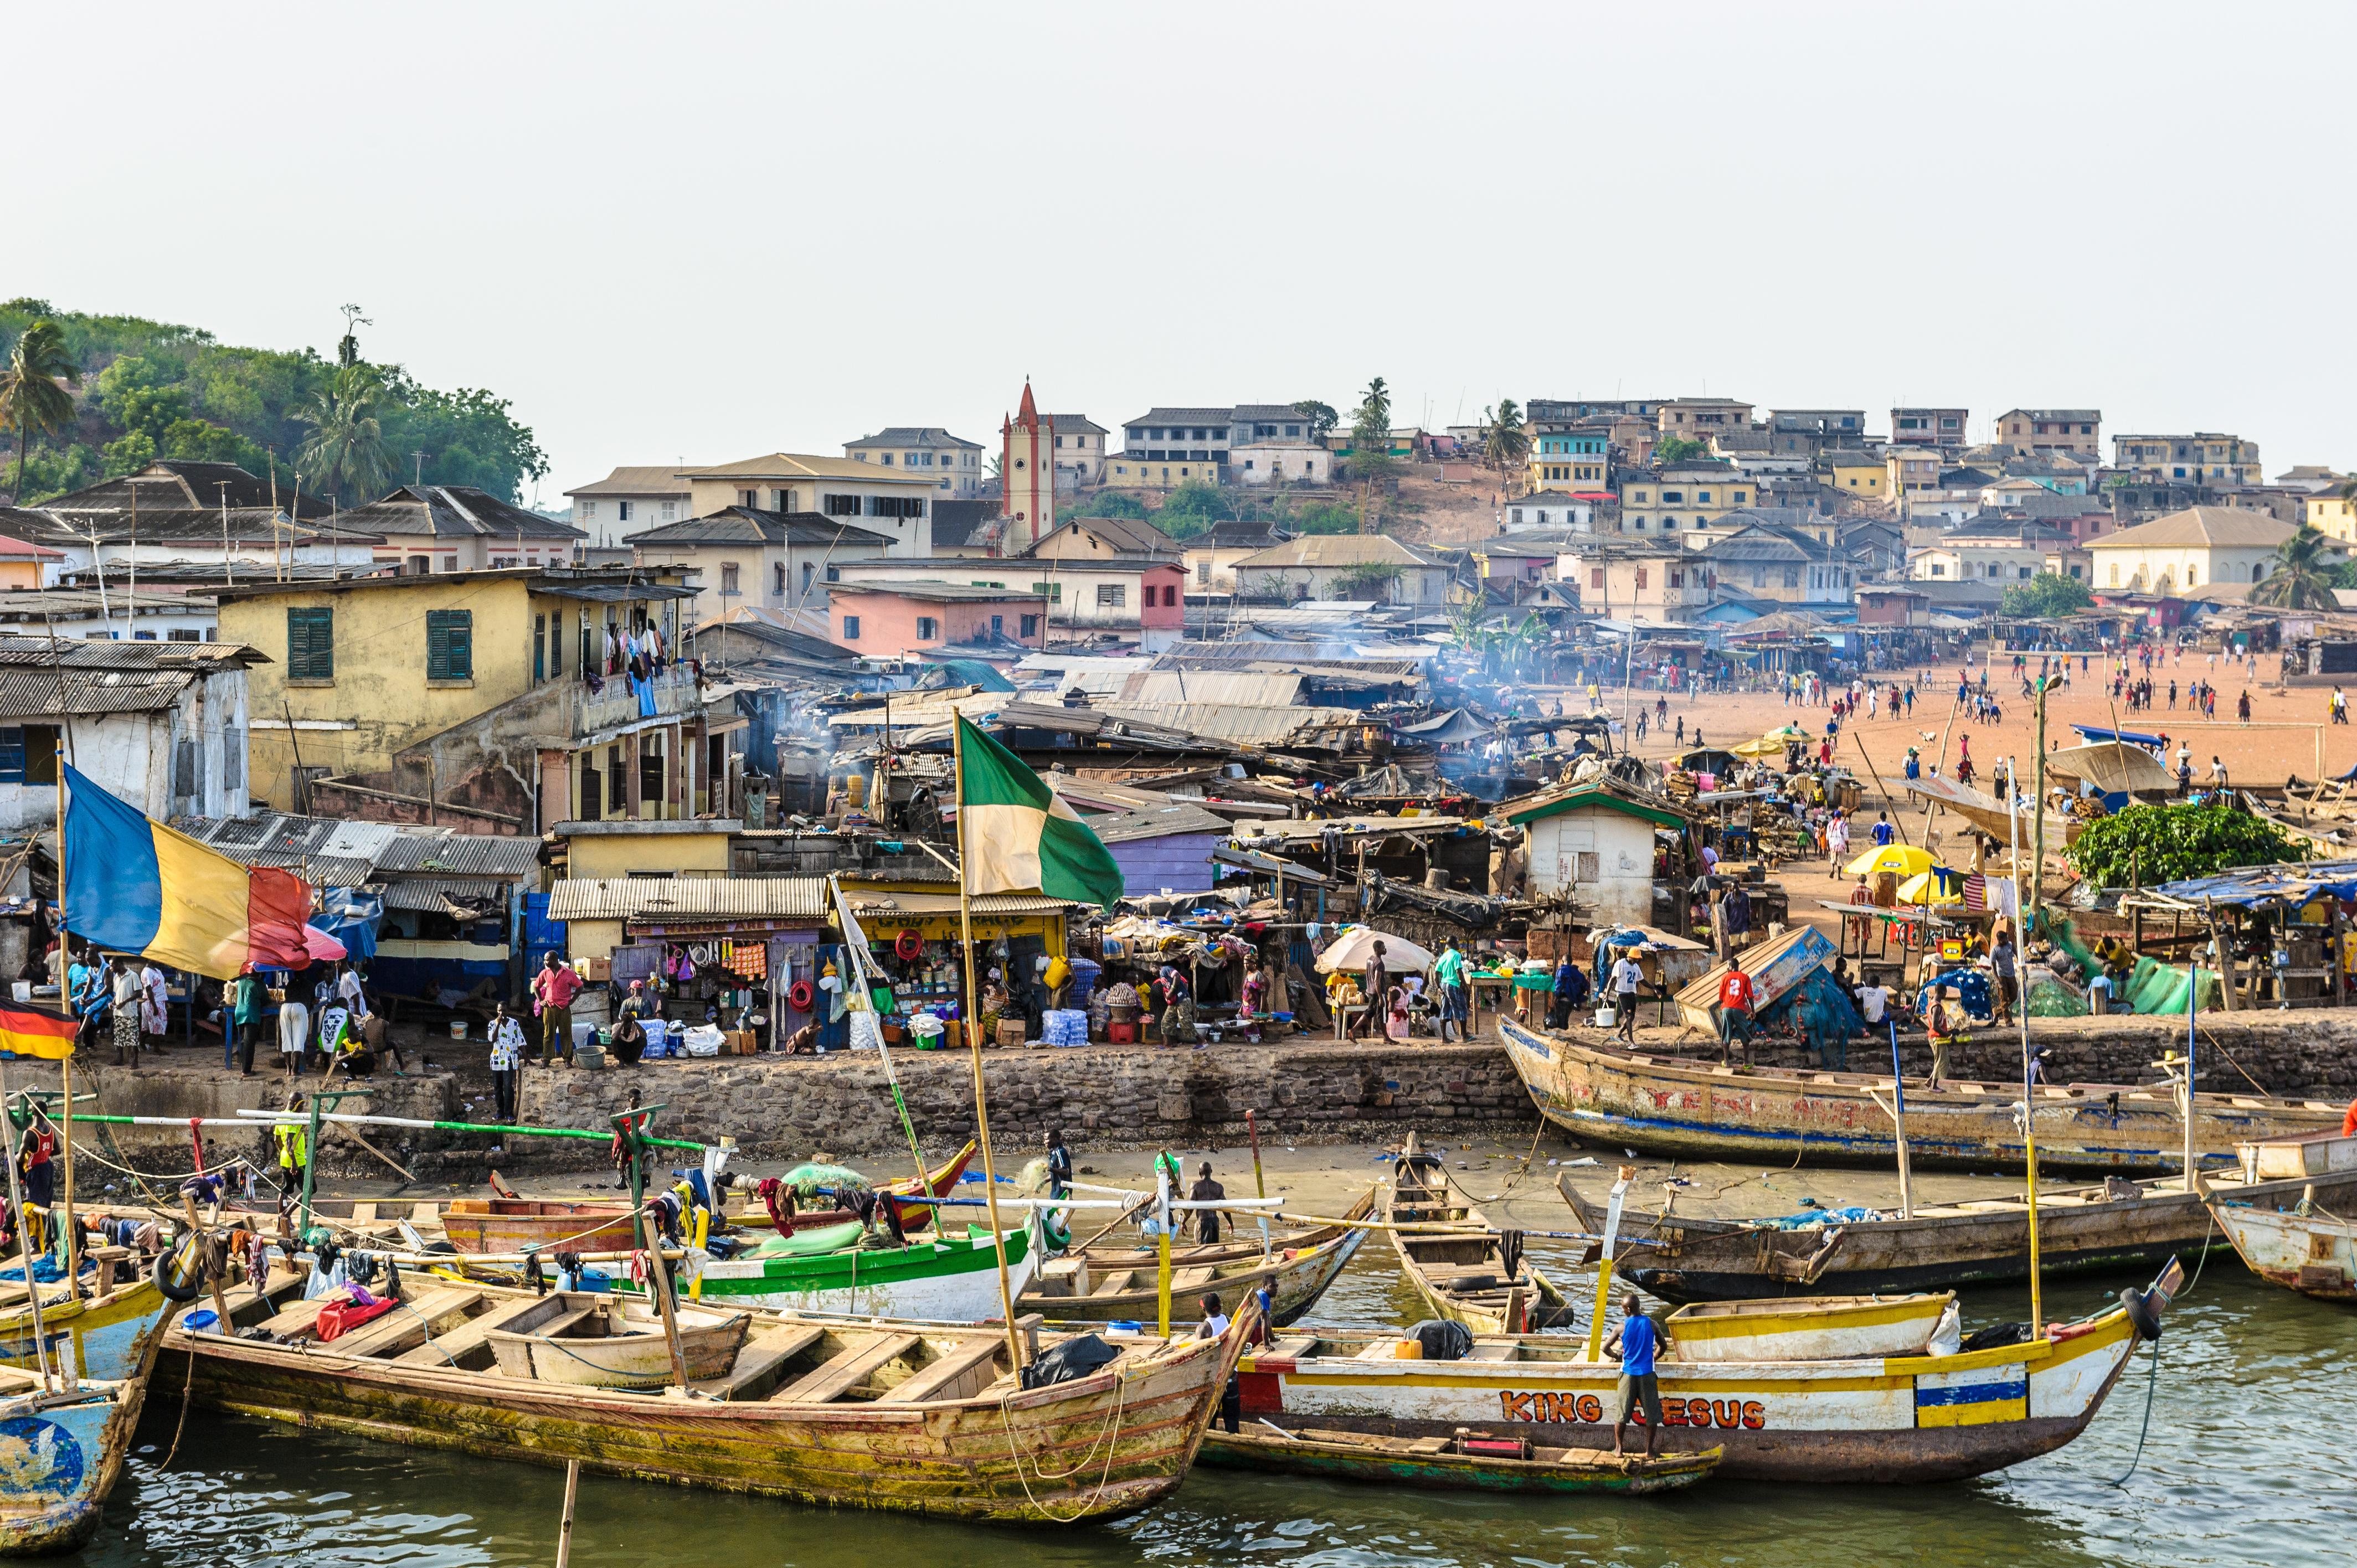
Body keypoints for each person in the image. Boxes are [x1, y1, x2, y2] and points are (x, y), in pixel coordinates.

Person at [1606, 1293, 1665, 1458]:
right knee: (1651, 1414)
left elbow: (1605, 1348)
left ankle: (1619, 1449)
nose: (1623, 1311)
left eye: (1623, 1308)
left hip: (1628, 1374)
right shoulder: (1652, 1324)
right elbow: (1663, 1346)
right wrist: (1654, 1357)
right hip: (1647, 1374)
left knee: (1622, 1414)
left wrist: (1618, 1357)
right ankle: (1650, 1451)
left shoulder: (1621, 1327)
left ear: (1629, 1309)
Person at [533, 953, 583, 1067]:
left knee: (566, 1034)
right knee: (548, 1034)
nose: (545, 963)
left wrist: (572, 1000)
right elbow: (536, 986)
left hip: (564, 1008)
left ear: (555, 960)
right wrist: (541, 1001)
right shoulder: (545, 973)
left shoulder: (569, 973)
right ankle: (546, 1059)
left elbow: (580, 986)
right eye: (545, 960)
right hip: (549, 1008)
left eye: (547, 960)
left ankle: (567, 1060)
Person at [487, 1001, 525, 1124]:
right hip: (497, 1060)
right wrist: (498, 1025)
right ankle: (500, 1112)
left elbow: (521, 1042)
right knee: (497, 1086)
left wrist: (527, 1058)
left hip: (510, 1060)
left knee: (508, 1086)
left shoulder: (514, 1023)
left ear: (508, 1011)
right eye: (499, 1011)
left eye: (503, 1010)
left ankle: (509, 1113)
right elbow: (492, 1039)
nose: (501, 1013)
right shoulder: (492, 1024)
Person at [1716, 963, 1755, 1063]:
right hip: (1739, 1010)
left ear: (1731, 967)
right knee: (1744, 1034)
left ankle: (1726, 1061)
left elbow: (1720, 997)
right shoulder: (1745, 977)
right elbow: (1750, 996)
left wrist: (1726, 1006)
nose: (1727, 968)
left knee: (1726, 1034)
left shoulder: (1724, 977)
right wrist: (1752, 1011)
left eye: (1728, 966)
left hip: (1726, 1009)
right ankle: (1746, 1063)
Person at [1351, 942, 1388, 1042]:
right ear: (1379, 948)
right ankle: (1386, 1038)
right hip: (1378, 992)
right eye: (1384, 947)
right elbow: (1377, 981)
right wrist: (1381, 997)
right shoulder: (1379, 963)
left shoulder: (1370, 959)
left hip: (1371, 991)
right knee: (1382, 1016)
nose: (1385, 949)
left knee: (1369, 1012)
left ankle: (1353, 1030)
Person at [229, 967, 264, 1074]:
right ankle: (246, 1071)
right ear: (259, 973)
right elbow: (265, 999)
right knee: (249, 1044)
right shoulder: (259, 984)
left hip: (239, 1013)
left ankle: (244, 1068)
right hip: (251, 1015)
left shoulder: (241, 982)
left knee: (244, 1041)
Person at [1433, 937, 1468, 1043]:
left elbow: (1436, 974)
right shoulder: (1456, 955)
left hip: (1444, 984)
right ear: (1453, 943)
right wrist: (1465, 985)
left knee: (1445, 1009)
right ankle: (1464, 1036)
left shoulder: (1444, 956)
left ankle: (1444, 1037)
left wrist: (1439, 987)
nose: (1459, 945)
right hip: (1453, 985)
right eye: (1458, 942)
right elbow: (1459, 971)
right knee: (1462, 1008)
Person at [110, 957, 143, 1067]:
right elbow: (116, 993)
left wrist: (124, 1002)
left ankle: (135, 1061)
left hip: (130, 1013)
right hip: (118, 1013)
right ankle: (120, 1059)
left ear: (119, 964)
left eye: (112, 965)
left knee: (133, 1037)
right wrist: (113, 1002)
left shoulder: (133, 976)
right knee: (119, 1037)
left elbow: (139, 993)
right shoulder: (116, 977)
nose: (111, 968)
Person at [274, 1094, 308, 1200]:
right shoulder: (292, 1118)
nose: (302, 1108)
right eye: (301, 1105)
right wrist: (293, 1162)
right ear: (294, 1103)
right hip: (296, 1160)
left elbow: (277, 1139)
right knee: (310, 1190)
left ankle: (282, 1214)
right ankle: (287, 1213)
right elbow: (289, 1140)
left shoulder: (281, 1116)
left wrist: (283, 1152)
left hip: (285, 1158)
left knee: (287, 1188)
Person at [1609, 948, 1644, 1041]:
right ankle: (1631, 1041)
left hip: (1631, 994)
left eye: (1638, 959)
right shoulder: (1621, 964)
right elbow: (1612, 979)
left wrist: (1654, 989)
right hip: (1622, 994)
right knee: (1629, 1016)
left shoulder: (1636, 966)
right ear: (1630, 957)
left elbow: (1642, 980)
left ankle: (1619, 1034)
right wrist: (1607, 993)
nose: (1637, 961)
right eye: (1635, 959)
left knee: (1631, 1017)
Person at [276, 985, 310, 1079]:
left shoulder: (291, 983)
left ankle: (288, 1070)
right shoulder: (309, 984)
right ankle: (295, 1070)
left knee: (286, 1038)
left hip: (285, 1007)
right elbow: (312, 1000)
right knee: (298, 1039)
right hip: (300, 1008)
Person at [1190, 1160, 1225, 1245]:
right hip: (1215, 1221)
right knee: (1215, 1248)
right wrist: (1230, 1222)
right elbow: (1225, 1207)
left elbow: (1190, 1205)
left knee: (1201, 1249)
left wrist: (1184, 1222)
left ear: (1199, 1172)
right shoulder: (1218, 1187)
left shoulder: (1195, 1185)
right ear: (1211, 1171)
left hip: (1203, 1221)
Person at [1546, 952, 1583, 1030]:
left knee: (1561, 1021)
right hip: (1571, 1002)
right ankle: (1565, 1035)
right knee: (1566, 1020)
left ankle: (1561, 1038)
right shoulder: (1576, 972)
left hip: (1562, 1000)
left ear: (1563, 962)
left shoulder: (1561, 971)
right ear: (1571, 962)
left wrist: (1555, 999)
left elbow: (1559, 986)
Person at [1991, 931, 2018, 1027]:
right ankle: (2008, 1021)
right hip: (2002, 976)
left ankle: (1997, 1011)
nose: (2007, 940)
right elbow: (1993, 967)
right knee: (2003, 999)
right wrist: (1998, 981)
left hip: (2011, 975)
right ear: (2000, 940)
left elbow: (2018, 955)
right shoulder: (1995, 950)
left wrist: (2022, 968)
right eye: (2005, 939)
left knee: (2014, 996)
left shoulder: (2010, 945)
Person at [1044, 1129, 1074, 1200]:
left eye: (1047, 1139)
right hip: (1055, 1194)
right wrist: (1042, 1183)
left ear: (1055, 1139)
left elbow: (1065, 1171)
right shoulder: (1052, 1153)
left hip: (1063, 1194)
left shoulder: (1060, 1152)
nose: (1044, 1142)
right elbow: (1054, 1174)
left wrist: (1050, 1169)